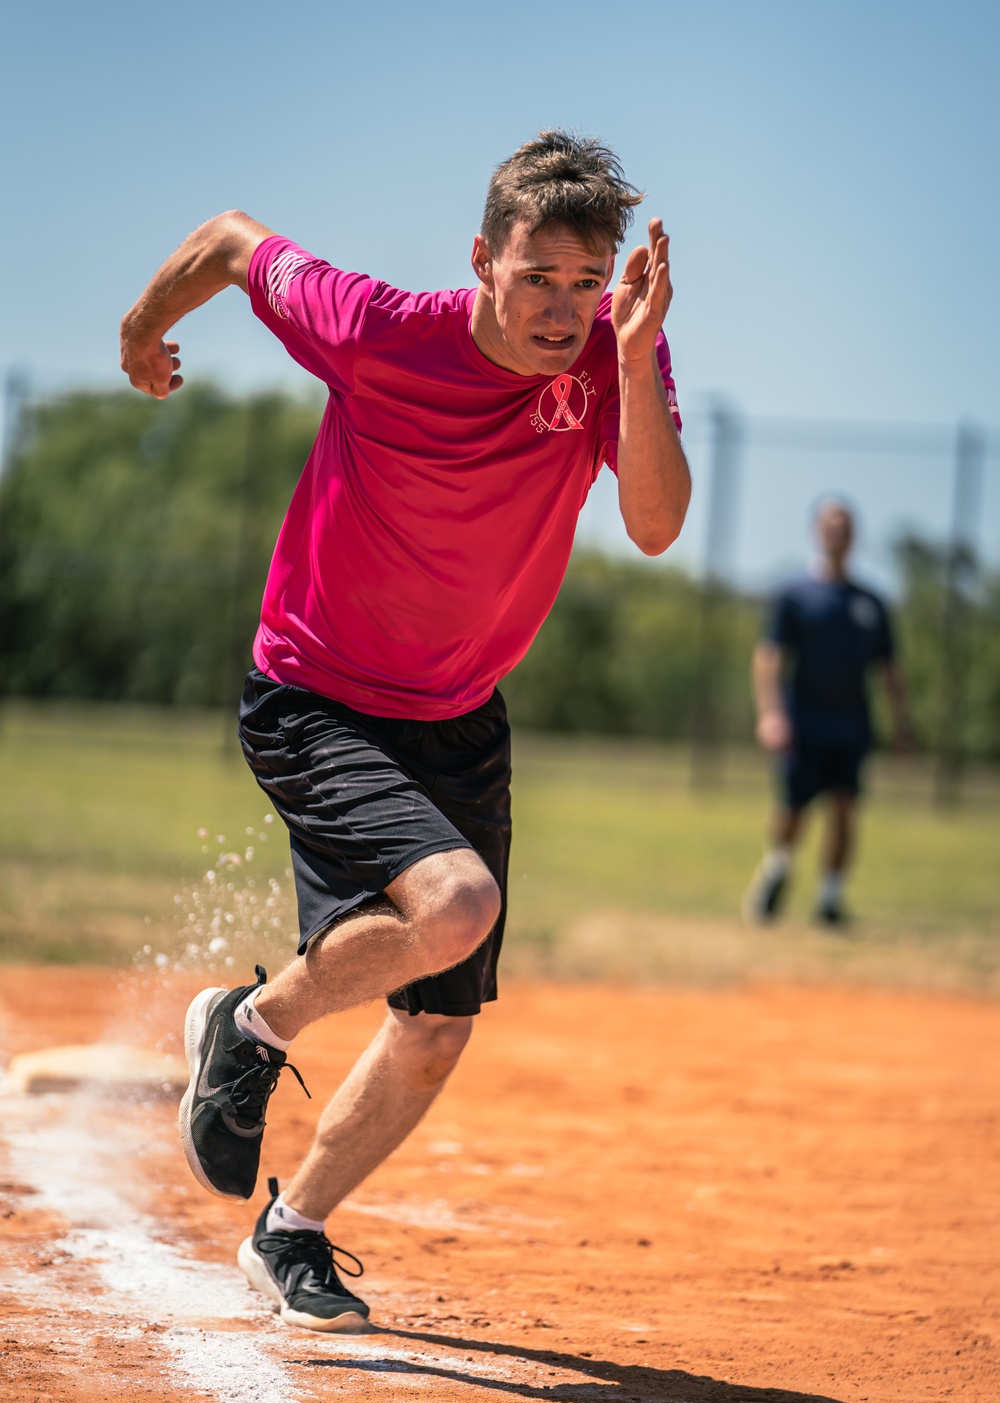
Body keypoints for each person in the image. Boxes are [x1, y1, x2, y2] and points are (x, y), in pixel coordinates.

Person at [120, 131, 691, 1334]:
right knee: (456, 906)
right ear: (482, 257)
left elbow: (651, 524)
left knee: (434, 1025)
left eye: (586, 284)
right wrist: (139, 327)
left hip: (455, 716)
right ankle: (253, 1023)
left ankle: (293, 1229)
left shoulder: (610, 361)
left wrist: (634, 356)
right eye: (538, 276)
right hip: (315, 694)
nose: (561, 308)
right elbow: (230, 241)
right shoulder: (379, 328)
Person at [744, 497, 911, 927]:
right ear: (817, 531)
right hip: (804, 719)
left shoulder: (870, 603)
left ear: (854, 537)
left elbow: (888, 669)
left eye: (846, 526)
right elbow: (769, 657)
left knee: (844, 806)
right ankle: (776, 871)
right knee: (793, 807)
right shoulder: (795, 595)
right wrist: (770, 713)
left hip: (851, 722)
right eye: (831, 525)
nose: (838, 533)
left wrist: (902, 723)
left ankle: (830, 900)